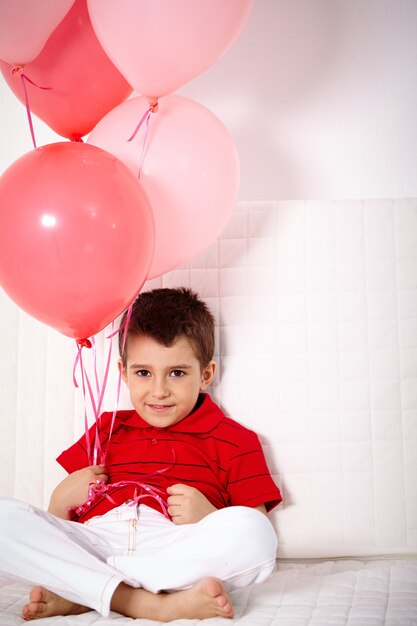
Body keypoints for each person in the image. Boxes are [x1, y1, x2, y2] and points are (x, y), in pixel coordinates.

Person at [0, 287, 281, 621]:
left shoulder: (236, 439)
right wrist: (60, 502)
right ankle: (146, 602)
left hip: (175, 547)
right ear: (123, 373)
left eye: (177, 373)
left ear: (205, 374)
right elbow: (60, 530)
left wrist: (209, 517)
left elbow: (256, 527)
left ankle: (89, 591)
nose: (159, 391)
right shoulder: (107, 429)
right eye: (143, 373)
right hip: (98, 541)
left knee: (257, 534)